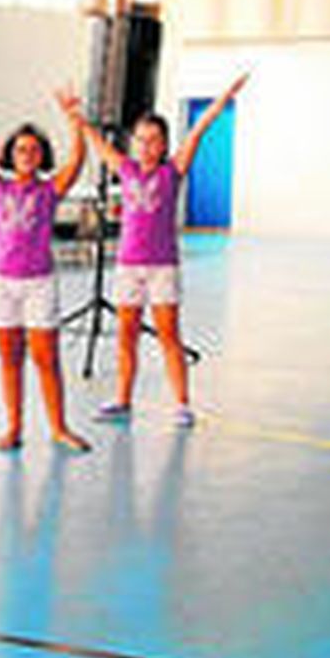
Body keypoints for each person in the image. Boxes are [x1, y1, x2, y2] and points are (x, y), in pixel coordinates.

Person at [68, 72, 249, 428]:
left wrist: (225, 96)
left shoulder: (173, 171)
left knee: (168, 334)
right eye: (141, 140)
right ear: (133, 143)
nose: (147, 146)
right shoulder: (126, 168)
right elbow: (97, 143)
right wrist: (75, 115)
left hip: (162, 267)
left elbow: (198, 131)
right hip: (128, 267)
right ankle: (123, 399)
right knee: (126, 335)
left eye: (154, 141)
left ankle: (182, 403)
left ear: (164, 145)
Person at [0, 82, 92, 453]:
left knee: (46, 358)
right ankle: (13, 427)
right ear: (10, 154)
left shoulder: (50, 190)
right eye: (20, 149)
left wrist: (74, 118)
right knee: (10, 359)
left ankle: (59, 427)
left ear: (42, 156)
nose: (26, 154)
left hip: (39, 283)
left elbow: (77, 160)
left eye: (34, 149)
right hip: (2, 284)